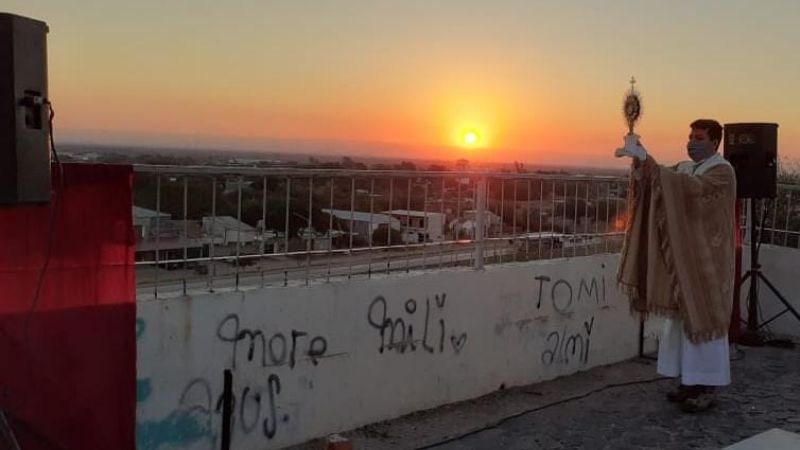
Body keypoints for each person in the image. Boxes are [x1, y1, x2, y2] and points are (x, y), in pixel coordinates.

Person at [615, 119, 737, 413]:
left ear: (715, 142)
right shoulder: (685, 167)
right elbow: (659, 182)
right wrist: (639, 157)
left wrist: (649, 161)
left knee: (705, 320)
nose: (692, 142)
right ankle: (688, 381)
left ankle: (706, 386)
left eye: (700, 137)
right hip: (685, 260)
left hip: (708, 263)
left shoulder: (722, 172)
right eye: (690, 136)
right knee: (683, 320)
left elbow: (690, 190)